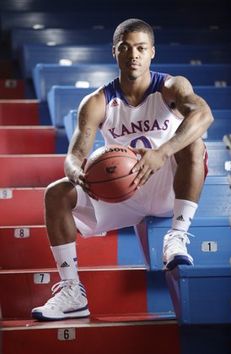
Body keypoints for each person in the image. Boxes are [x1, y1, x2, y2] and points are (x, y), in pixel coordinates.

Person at [31, 18, 213, 321]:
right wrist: (78, 173)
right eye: (126, 48)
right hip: (120, 192)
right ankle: (73, 291)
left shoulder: (170, 86)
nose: (134, 55)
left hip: (166, 184)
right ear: (114, 52)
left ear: (152, 52)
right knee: (56, 193)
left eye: (141, 48)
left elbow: (205, 115)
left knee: (193, 143)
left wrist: (161, 152)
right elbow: (73, 157)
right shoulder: (98, 101)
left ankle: (177, 236)